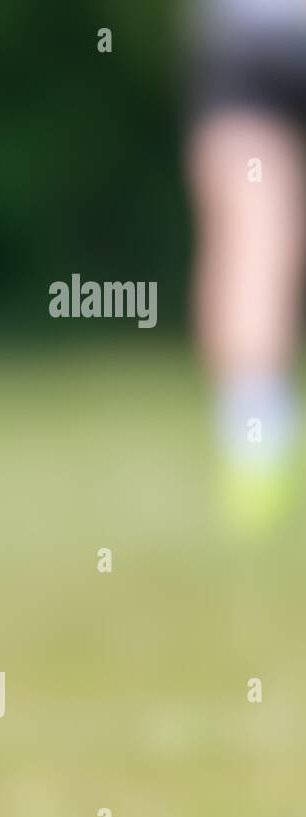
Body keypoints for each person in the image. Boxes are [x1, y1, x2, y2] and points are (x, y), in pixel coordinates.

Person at [187, 0, 306, 535]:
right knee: (255, 234)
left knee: (253, 236)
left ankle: (252, 449)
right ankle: (254, 448)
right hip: (256, 36)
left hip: (247, 33)